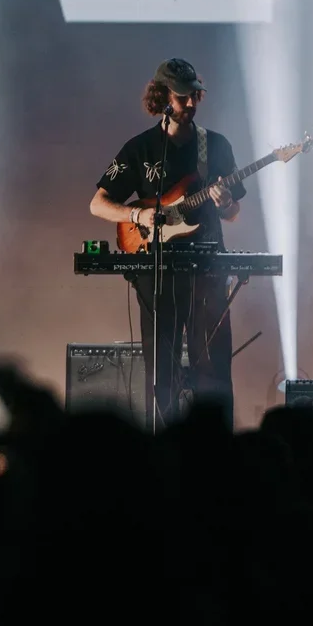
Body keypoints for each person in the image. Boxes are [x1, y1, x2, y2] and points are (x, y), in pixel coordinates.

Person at [89, 58, 245, 428]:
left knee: (214, 367)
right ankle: (165, 446)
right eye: (181, 97)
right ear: (162, 98)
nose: (190, 103)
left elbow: (233, 213)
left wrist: (225, 203)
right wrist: (137, 215)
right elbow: (98, 203)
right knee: (162, 369)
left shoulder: (215, 146)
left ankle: (217, 444)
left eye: (194, 96)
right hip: (156, 270)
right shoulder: (140, 148)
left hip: (207, 269)